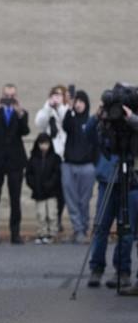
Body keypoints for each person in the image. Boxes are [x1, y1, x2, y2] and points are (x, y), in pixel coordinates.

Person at [88, 103, 138, 290]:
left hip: (130, 181)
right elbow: (88, 135)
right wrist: (97, 116)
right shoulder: (105, 122)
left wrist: (131, 118)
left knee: (126, 230)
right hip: (107, 178)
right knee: (101, 226)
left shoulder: (132, 123)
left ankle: (123, 271)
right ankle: (96, 269)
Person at [0, 83, 30, 245]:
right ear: (2, 96)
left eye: (12, 97)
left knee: (15, 198)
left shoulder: (22, 113)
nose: (9, 100)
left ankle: (15, 233)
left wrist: (20, 114)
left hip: (15, 160)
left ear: (16, 97)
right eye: (6, 96)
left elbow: (25, 131)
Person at [60, 90, 98, 243]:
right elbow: (65, 125)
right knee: (71, 200)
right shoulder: (71, 120)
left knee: (84, 200)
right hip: (69, 165)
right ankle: (77, 230)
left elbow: (96, 144)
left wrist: (94, 164)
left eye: (81, 101)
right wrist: (69, 108)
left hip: (87, 166)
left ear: (86, 104)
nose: (78, 104)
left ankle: (84, 228)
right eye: (77, 102)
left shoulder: (91, 122)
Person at [36, 84, 70, 230]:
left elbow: (67, 123)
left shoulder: (67, 109)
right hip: (50, 155)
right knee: (50, 189)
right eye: (54, 94)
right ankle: (48, 221)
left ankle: (58, 218)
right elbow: (40, 124)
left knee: (61, 191)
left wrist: (60, 107)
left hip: (63, 155)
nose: (57, 97)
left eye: (60, 94)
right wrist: (48, 108)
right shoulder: (46, 109)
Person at [25, 133, 61, 244]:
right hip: (38, 191)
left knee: (51, 214)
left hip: (52, 191)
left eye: (46, 143)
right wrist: (34, 185)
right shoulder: (33, 158)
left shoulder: (55, 158)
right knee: (41, 214)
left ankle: (52, 234)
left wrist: (50, 184)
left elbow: (57, 174)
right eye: (41, 143)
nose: (43, 146)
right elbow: (28, 174)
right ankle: (42, 233)